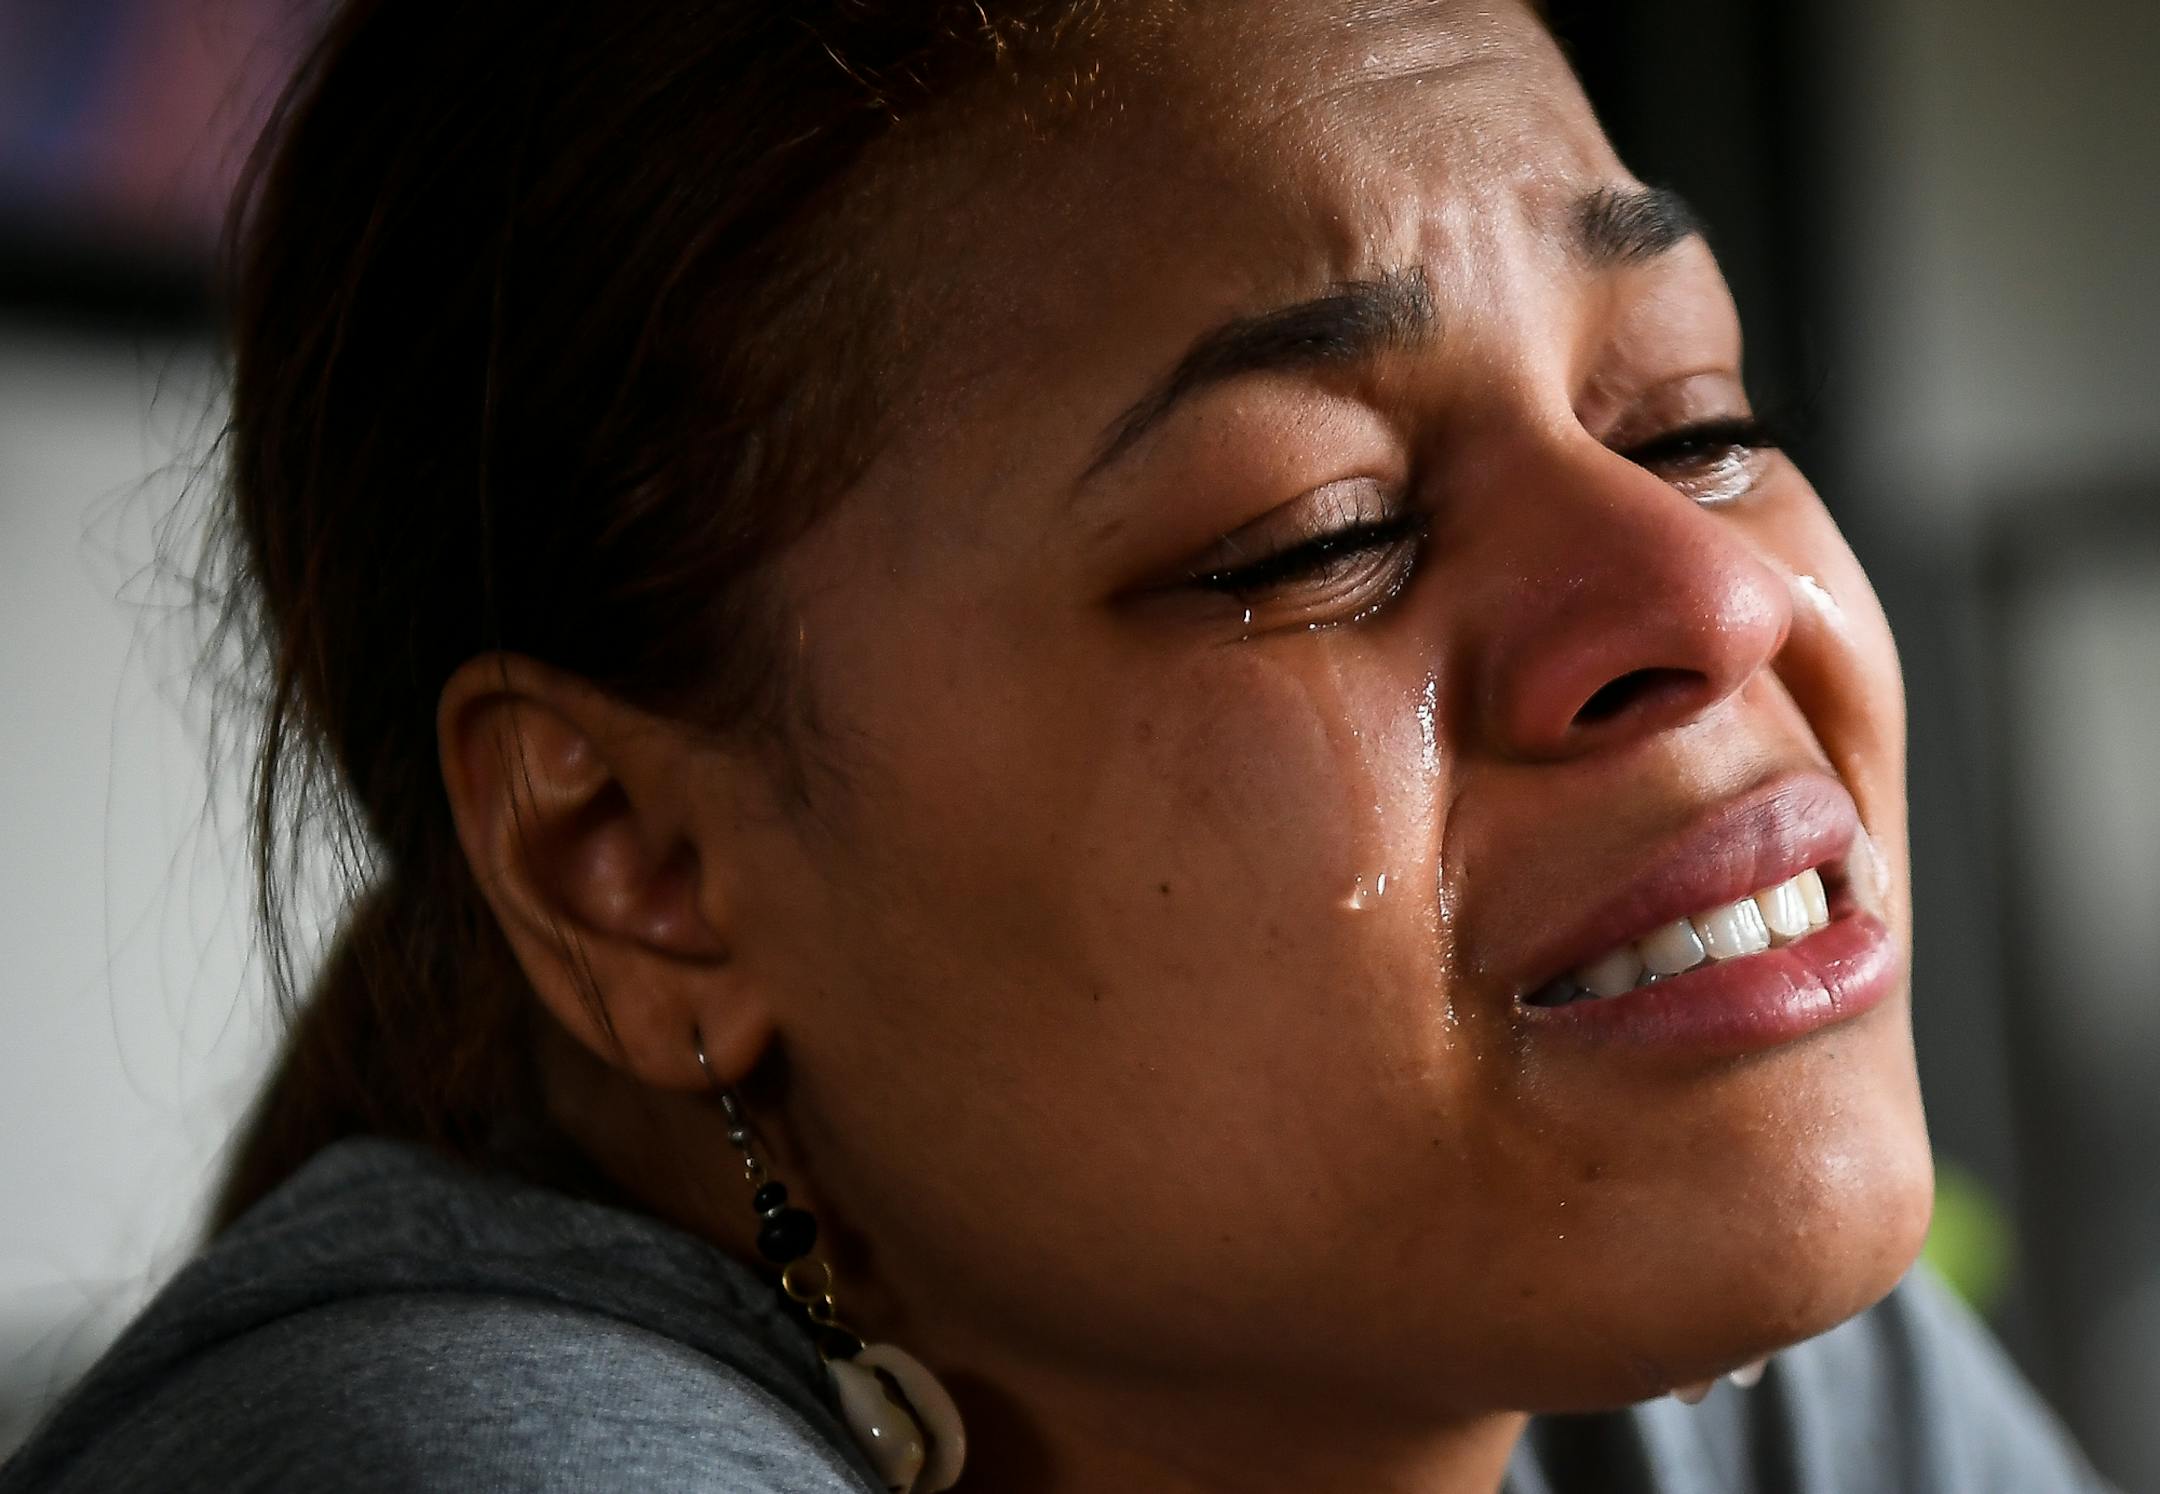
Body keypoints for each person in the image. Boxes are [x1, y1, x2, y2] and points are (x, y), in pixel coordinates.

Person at [0, 0, 2120, 1490]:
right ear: (633, 861)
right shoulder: (438, 1465)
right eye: (1326, 534)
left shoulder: (1693, 1371)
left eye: (1691, 421)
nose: (1715, 597)